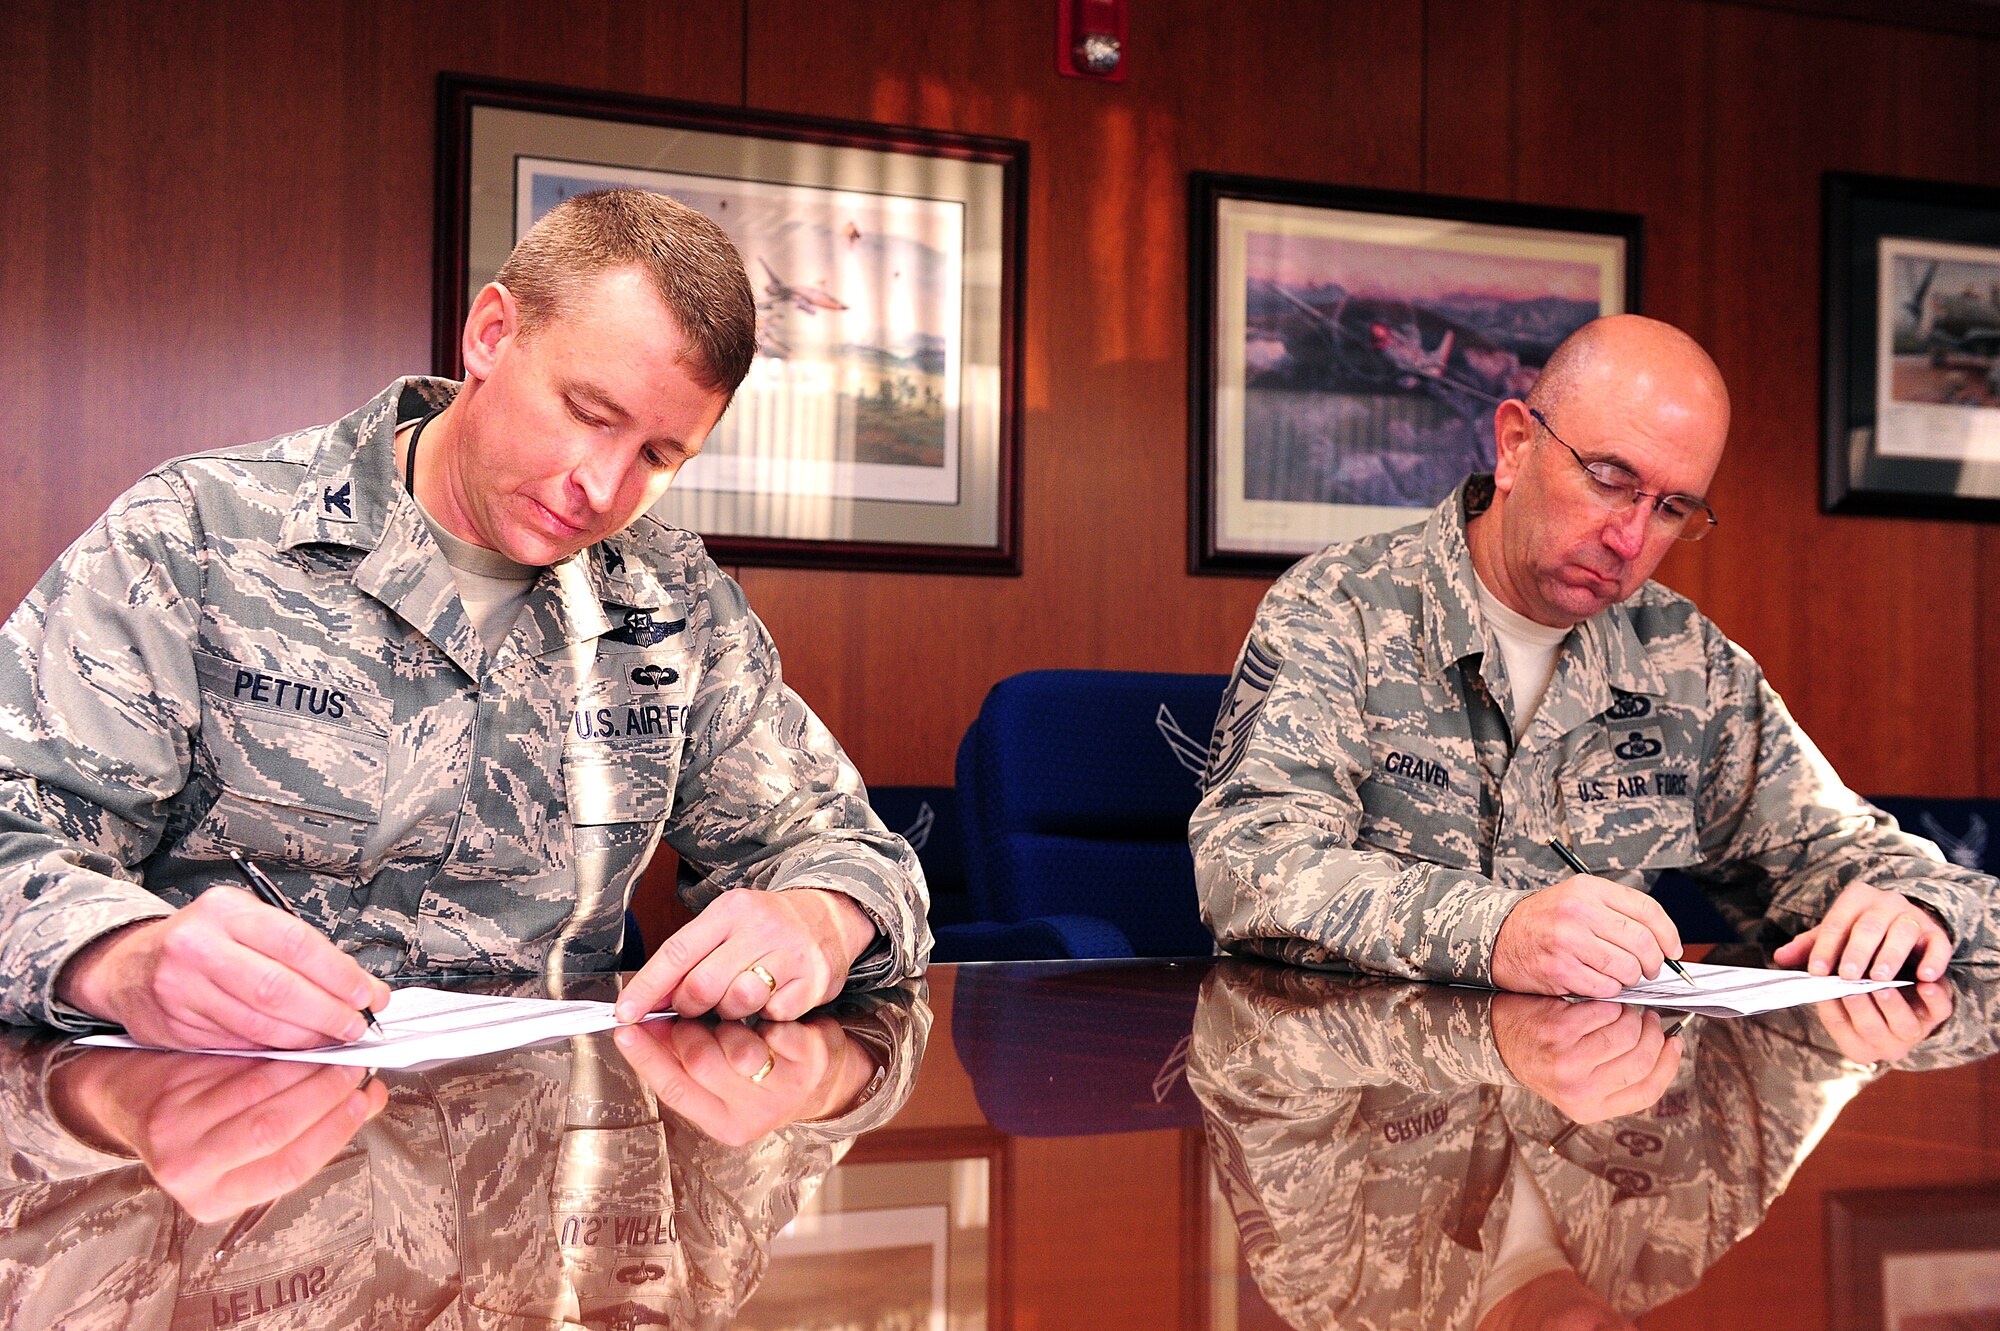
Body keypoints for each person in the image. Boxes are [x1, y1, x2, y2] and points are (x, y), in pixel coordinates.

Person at [0, 188, 929, 1050]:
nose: (603, 487)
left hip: (541, 1174)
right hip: (218, 1154)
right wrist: (120, 959)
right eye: (586, 413)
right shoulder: (198, 536)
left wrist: (818, 916)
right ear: (491, 333)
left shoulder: (671, 604)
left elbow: (848, 849)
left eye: (658, 455)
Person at [1192, 314, 1997, 997]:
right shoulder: (1341, 609)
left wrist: (1916, 904)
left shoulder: (1686, 661)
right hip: (1368, 1130)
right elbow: (1252, 868)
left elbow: (1857, 854)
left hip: (1593, 1135)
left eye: (1673, 507)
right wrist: (1497, 928)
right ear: (1514, 446)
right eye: (1610, 478)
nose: (1632, 538)